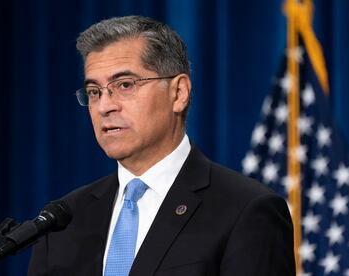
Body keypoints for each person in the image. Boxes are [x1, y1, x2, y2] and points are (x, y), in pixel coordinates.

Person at [28, 15, 295, 276]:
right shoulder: (63, 219)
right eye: (94, 92)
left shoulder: (246, 210)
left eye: (125, 85)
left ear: (178, 93)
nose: (105, 106)